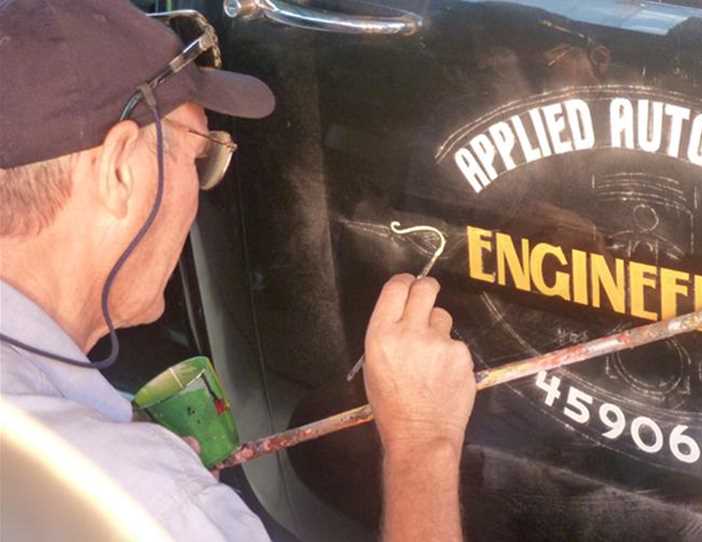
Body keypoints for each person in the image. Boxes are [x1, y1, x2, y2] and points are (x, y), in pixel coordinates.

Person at [0, 1, 476, 541]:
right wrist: (423, 439)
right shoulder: (134, 507)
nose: (204, 190)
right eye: (198, 157)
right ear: (118, 171)